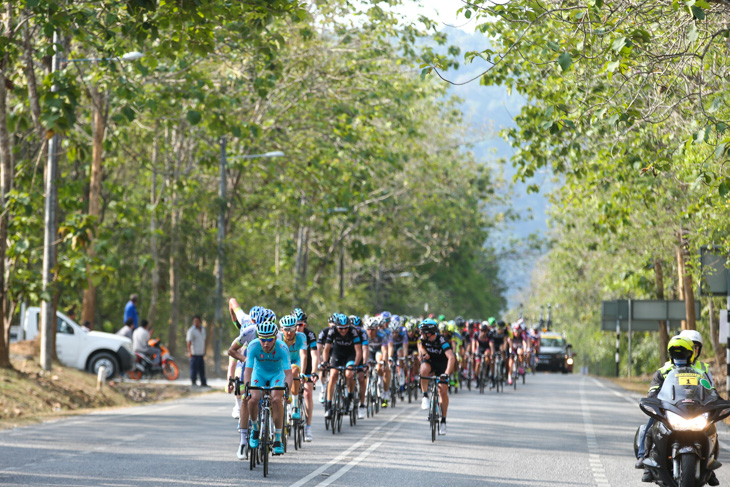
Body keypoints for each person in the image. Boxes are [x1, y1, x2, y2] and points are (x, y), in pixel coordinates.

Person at [636, 335, 718, 485]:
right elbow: (653, 391)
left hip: (692, 410)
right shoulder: (663, 371)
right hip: (669, 410)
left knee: (711, 427)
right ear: (670, 354)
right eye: (675, 353)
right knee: (650, 427)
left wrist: (715, 398)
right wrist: (653, 399)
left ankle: (710, 467)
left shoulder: (698, 373)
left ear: (690, 354)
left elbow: (709, 390)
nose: (679, 356)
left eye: (683, 353)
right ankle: (645, 459)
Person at [245, 314, 292, 456]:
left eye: (270, 339)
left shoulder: (282, 347)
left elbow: (289, 373)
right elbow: (248, 371)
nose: (266, 343)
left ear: (275, 337)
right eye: (263, 340)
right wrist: (247, 387)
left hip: (276, 375)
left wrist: (287, 390)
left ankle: (278, 438)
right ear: (258, 338)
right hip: (258, 374)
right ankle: (254, 429)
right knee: (253, 398)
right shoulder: (253, 346)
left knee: (276, 400)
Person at [418, 318, 456, 435]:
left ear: (429, 333)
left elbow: (451, 358)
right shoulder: (423, 339)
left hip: (442, 366)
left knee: (443, 391)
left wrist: (446, 374)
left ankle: (443, 421)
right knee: (423, 369)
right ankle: (425, 396)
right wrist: (423, 353)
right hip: (431, 363)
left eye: (422, 331)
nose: (420, 334)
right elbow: (420, 346)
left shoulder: (442, 340)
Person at [323, 313, 362, 419]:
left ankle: (350, 397)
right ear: (336, 326)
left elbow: (358, 351)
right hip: (338, 353)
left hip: (350, 354)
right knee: (333, 375)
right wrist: (325, 362)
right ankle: (329, 405)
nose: (343, 331)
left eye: (345, 328)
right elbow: (326, 349)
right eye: (341, 329)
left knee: (349, 374)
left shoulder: (353, 331)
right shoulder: (332, 331)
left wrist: (356, 365)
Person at [293, 308, 318, 442]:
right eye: (295, 324)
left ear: (305, 325)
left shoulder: (310, 335)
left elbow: (314, 355)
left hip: (306, 365)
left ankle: (308, 427)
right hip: (290, 364)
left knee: (307, 393)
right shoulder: (286, 333)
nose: (297, 327)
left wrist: (313, 372)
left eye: (300, 324)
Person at [186, 315, 207, 387]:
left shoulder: (203, 329)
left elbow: (204, 340)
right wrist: (189, 352)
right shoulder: (191, 330)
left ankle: (203, 382)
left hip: (201, 352)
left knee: (202, 369)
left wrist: (204, 351)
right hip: (194, 353)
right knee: (194, 369)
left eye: (197, 321)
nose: (196, 323)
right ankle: (193, 382)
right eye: (194, 321)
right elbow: (189, 342)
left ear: (200, 322)